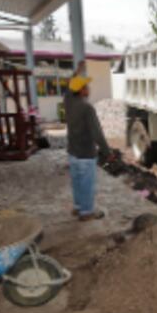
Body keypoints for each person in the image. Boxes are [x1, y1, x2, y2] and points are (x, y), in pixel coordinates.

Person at [64, 63, 113, 221]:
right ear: (81, 90)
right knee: (86, 184)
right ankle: (86, 213)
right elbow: (97, 133)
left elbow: (70, 87)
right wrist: (108, 152)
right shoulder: (87, 108)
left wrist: (76, 72)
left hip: (72, 153)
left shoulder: (68, 101)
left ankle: (78, 207)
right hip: (85, 154)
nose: (89, 88)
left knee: (77, 183)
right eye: (86, 86)